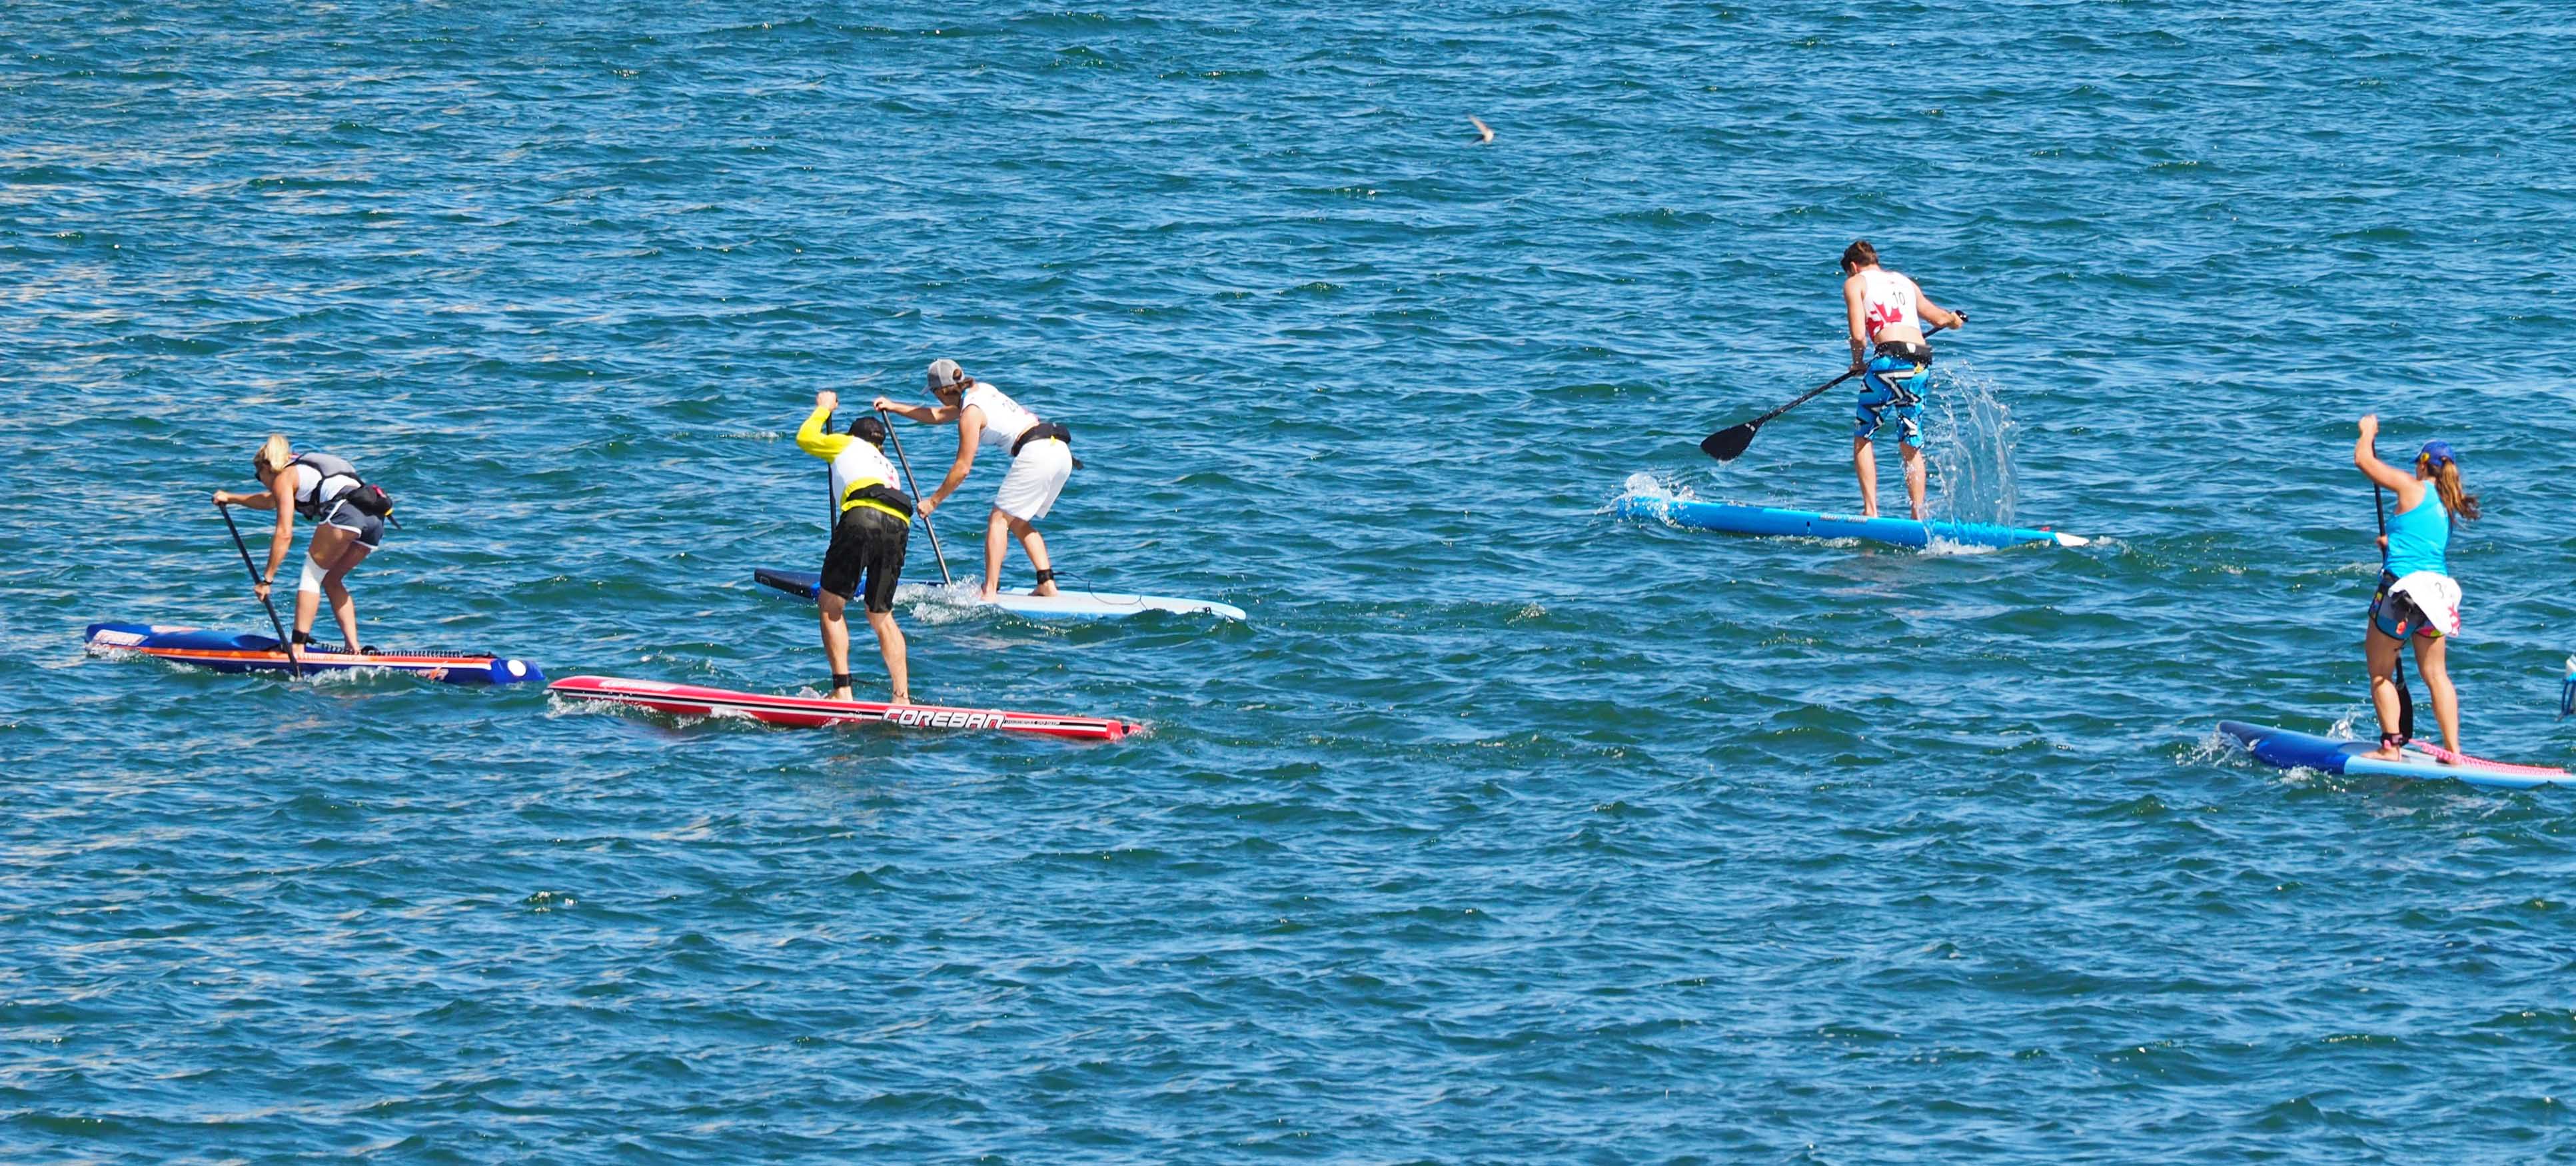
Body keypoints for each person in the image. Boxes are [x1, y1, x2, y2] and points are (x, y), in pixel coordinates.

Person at [874, 358, 1076, 602]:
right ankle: (1047, 584)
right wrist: (894, 406)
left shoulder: (970, 414)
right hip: (1059, 451)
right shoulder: (983, 390)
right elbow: (938, 415)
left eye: (935, 393)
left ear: (941, 391)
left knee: (998, 520)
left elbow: (962, 468)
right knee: (1017, 521)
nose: (936, 399)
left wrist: (933, 502)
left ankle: (989, 592)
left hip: (1038, 453)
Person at [2354, 415, 2479, 760]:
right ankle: (2454, 750)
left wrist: (2368, 432)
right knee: (2436, 674)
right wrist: (2390, 541)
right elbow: (2420, 545)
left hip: (2404, 593)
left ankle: (2390, 748)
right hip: (2437, 597)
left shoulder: (2413, 487)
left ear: (2424, 466)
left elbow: (2364, 461)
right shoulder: (2448, 505)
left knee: (2380, 672)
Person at [210, 436, 387, 656]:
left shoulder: (285, 476)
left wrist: (267, 580)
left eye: (259, 476)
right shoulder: (304, 467)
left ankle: (297, 647)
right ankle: (353, 649)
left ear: (267, 467)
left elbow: (284, 533)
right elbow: (270, 500)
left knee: (311, 576)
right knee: (332, 580)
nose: (262, 481)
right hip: (376, 518)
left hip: (347, 513)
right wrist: (231, 498)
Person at [798, 391, 913, 704]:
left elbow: (805, 438)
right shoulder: (888, 466)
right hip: (900, 521)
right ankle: (902, 698)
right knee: (881, 614)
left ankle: (842, 691)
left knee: (831, 605)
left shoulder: (846, 443)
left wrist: (823, 410)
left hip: (863, 514)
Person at [1840, 240, 1966, 519]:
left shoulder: (1856, 283)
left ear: (1853, 267)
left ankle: (1870, 511)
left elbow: (1859, 335)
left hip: (1888, 360)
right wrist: (1954, 320)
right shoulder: (1904, 282)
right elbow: (1939, 318)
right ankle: (1917, 515)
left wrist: (1858, 362)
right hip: (1921, 363)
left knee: (1864, 434)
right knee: (1911, 439)